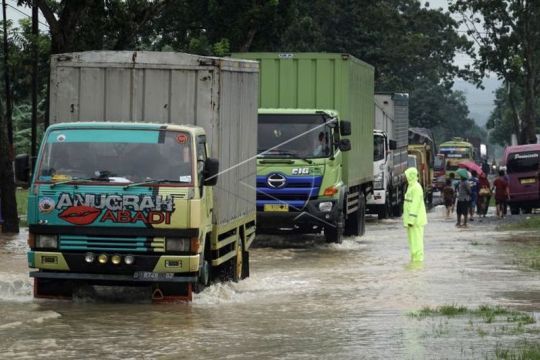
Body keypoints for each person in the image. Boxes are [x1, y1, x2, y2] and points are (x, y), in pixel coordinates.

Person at [402, 167, 427, 263]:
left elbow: (415, 205)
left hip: (416, 221)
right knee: (413, 243)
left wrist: (411, 220)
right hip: (411, 221)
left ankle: (418, 263)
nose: (405, 177)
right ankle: (414, 262)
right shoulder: (410, 186)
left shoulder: (416, 188)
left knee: (417, 243)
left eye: (407, 175)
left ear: (411, 175)